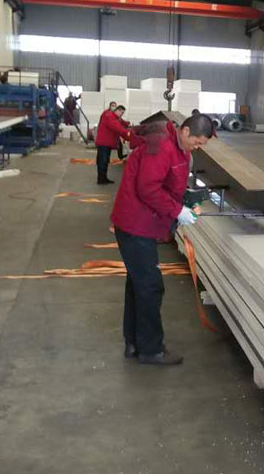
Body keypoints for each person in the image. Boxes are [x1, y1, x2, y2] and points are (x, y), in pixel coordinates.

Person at [110, 112, 214, 366]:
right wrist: (177, 210)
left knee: (138, 284)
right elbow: (148, 188)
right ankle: (151, 350)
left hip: (141, 223)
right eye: (197, 142)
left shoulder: (179, 149)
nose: (197, 148)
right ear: (185, 131)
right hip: (136, 225)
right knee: (150, 287)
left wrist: (184, 201)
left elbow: (169, 183)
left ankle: (134, 343)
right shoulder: (162, 148)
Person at [95, 104, 130, 185]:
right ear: (118, 110)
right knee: (102, 161)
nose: (122, 115)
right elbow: (117, 128)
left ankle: (104, 178)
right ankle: (101, 180)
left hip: (107, 143)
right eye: (122, 113)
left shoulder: (114, 117)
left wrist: (128, 133)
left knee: (105, 161)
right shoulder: (109, 116)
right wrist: (128, 134)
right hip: (104, 143)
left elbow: (121, 126)